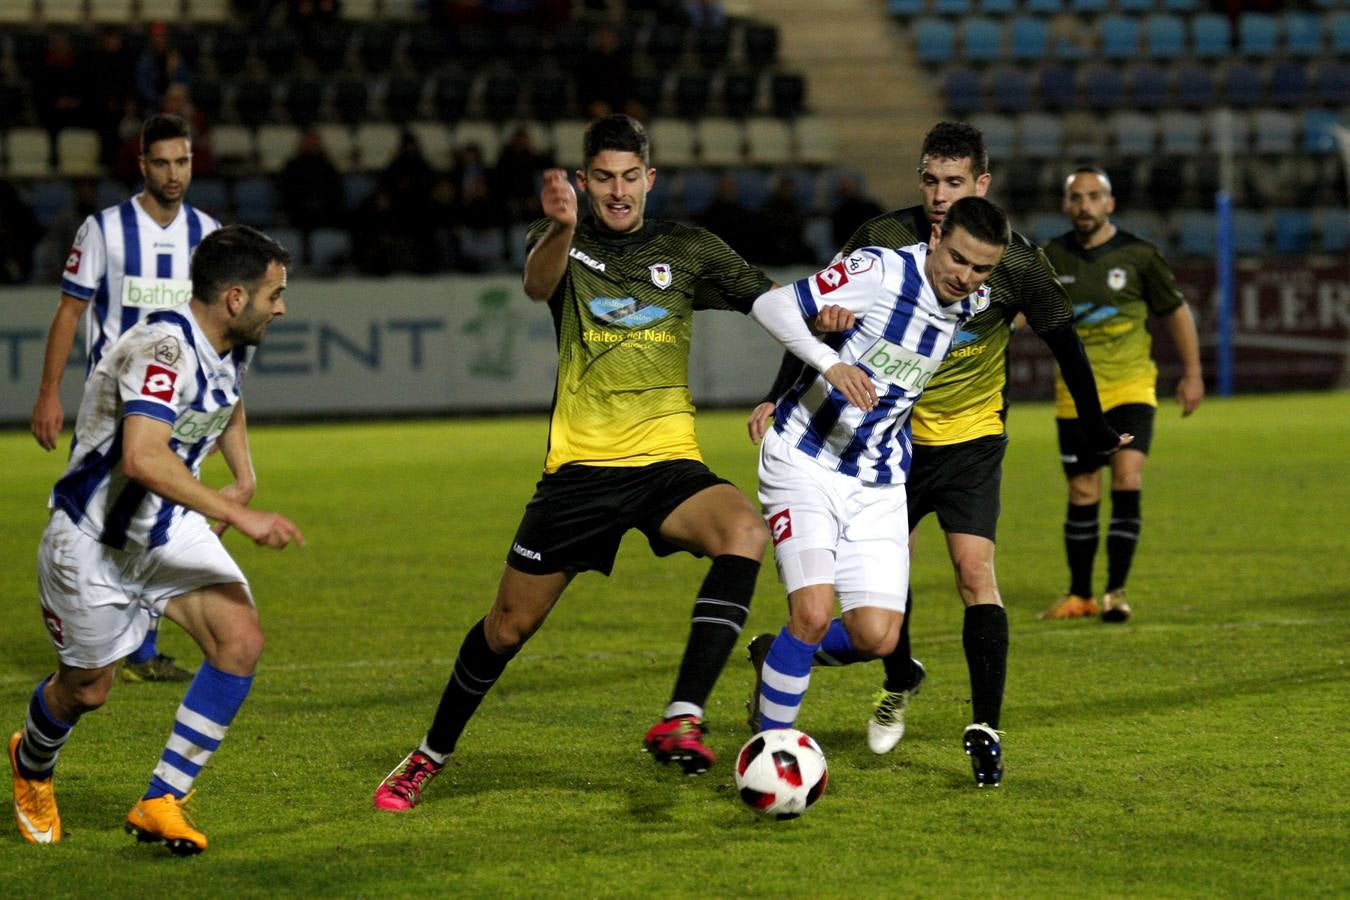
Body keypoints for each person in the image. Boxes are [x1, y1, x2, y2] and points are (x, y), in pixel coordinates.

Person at [372, 114, 778, 811]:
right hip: (581, 473)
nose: (617, 192)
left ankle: (684, 712)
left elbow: (773, 303)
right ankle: (429, 754)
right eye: (603, 179)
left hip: (667, 465)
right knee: (507, 627)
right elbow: (537, 286)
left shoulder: (687, 248)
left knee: (744, 529)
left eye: (629, 178)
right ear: (584, 183)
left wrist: (794, 377)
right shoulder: (561, 240)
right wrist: (560, 227)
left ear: (650, 179)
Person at [747, 122, 1128, 787]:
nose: (941, 196)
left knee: (924, 603)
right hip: (855, 447)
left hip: (952, 444)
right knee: (826, 613)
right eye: (931, 182)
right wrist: (811, 361)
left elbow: (1062, 332)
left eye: (955, 183)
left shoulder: (1001, 269)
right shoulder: (882, 252)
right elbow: (802, 306)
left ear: (982, 185)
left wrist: (1094, 424)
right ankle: (785, 737)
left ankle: (976, 721)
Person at [8, 224, 304, 853]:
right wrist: (247, 521)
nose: (281, 307)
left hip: (166, 531)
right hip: (91, 542)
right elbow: (143, 457)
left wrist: (245, 476)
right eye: (274, 294)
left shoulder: (232, 343)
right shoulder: (161, 348)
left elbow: (228, 399)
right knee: (87, 691)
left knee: (240, 639)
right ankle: (31, 764)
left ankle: (160, 800)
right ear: (234, 298)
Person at [747, 198, 1009, 758]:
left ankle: (780, 656)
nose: (965, 277)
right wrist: (829, 358)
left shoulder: (975, 299)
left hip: (879, 479)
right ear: (936, 235)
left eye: (981, 268)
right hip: (805, 460)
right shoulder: (878, 270)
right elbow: (771, 307)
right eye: (958, 259)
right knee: (814, 613)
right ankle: (770, 755)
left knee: (877, 637)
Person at [30, 113, 221, 683]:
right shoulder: (105, 230)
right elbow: (70, 310)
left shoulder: (208, 234)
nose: (172, 173)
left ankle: (141, 647)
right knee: (95, 518)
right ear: (142, 165)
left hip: (179, 407)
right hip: (109, 409)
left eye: (182, 162)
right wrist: (48, 394)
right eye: (161, 162)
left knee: (163, 516)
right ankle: (93, 633)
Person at [1038, 166, 1204, 622]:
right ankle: (1080, 595)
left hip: (1132, 387)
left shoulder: (1139, 255)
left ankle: (1116, 592)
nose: (1085, 205)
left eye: (1094, 197)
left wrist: (1192, 372)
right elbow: (1017, 311)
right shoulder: (1050, 257)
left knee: (1127, 478)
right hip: (1076, 396)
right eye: (1077, 198)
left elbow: (1176, 312)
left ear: (1109, 203)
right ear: (1066, 205)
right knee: (1083, 490)